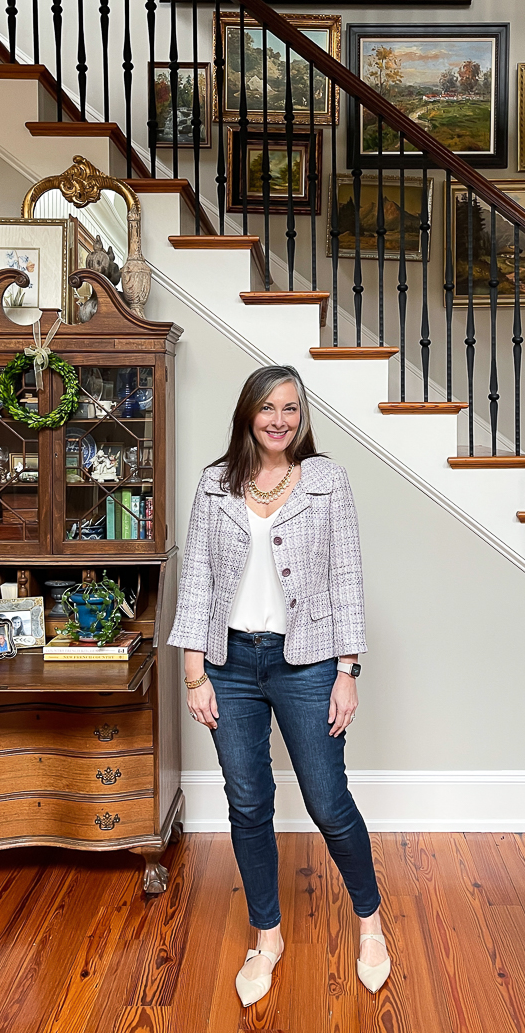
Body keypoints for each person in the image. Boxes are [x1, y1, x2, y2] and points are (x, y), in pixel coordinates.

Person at [169, 365, 389, 1007]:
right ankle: (267, 936)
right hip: (230, 664)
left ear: (302, 416)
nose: (279, 419)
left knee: (327, 800)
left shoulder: (328, 480)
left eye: (290, 408)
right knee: (247, 803)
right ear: (247, 414)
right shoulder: (215, 484)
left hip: (310, 663)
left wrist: (347, 672)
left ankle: (369, 922)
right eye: (267, 407)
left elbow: (348, 578)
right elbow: (198, 579)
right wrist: (194, 674)